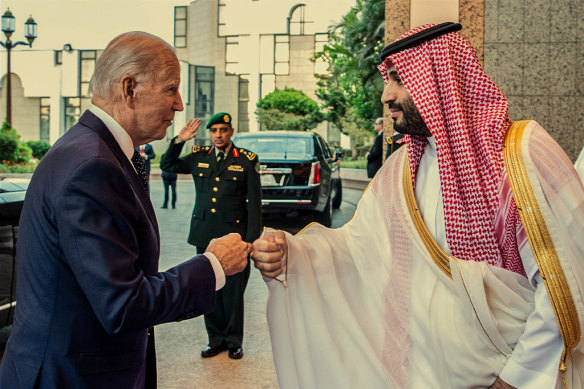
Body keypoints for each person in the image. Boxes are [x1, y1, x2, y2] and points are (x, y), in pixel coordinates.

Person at [251, 22, 584, 388]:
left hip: (514, 374)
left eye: (398, 78)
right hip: (425, 373)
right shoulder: (400, 171)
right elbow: (358, 250)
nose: (386, 95)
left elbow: (565, 283)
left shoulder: (523, 154)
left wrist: (515, 379)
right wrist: (293, 255)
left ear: (440, 78)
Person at [0, 31, 251, 389]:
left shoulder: (94, 150)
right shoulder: (92, 165)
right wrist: (213, 266)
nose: (179, 105)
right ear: (130, 88)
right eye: (171, 89)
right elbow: (123, 302)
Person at [160, 112, 261, 360]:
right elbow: (167, 165)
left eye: (223, 130)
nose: (218, 135)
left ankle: (234, 341)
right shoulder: (198, 156)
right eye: (214, 130)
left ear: (231, 131)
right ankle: (215, 340)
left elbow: (255, 204)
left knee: (234, 294)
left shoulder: (246, 160)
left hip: (235, 238)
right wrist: (179, 140)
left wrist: (250, 240)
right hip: (206, 235)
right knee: (210, 289)